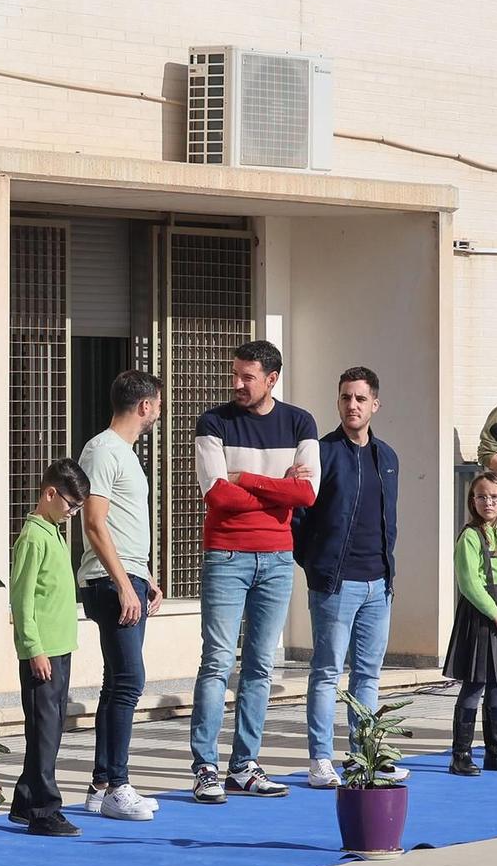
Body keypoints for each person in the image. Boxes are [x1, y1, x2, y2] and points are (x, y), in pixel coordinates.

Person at [187, 340, 319, 803]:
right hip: (226, 554)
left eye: (248, 376)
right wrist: (278, 487)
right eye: (235, 375)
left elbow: (307, 496)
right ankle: (205, 765)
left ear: (272, 379)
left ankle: (244, 765)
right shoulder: (213, 422)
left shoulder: (300, 422)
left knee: (261, 665)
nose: (238, 384)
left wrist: (247, 479)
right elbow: (217, 495)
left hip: (279, 557)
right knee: (218, 661)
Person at [291, 368, 405, 789]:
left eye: (360, 398)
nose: (352, 405)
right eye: (345, 398)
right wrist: (317, 565)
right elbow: (298, 519)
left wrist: (387, 573)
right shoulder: (321, 454)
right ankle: (321, 760)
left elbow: (388, 519)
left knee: (368, 675)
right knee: (326, 672)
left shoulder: (387, 457)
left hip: (379, 584)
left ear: (375, 404)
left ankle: (364, 757)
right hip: (335, 584)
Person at [75, 370, 164, 822]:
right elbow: (94, 522)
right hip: (111, 581)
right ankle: (117, 784)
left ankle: (102, 784)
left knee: (118, 681)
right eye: (158, 404)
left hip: (128, 576)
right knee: (130, 679)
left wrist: (143, 576)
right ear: (146, 406)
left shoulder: (122, 453)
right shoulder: (103, 449)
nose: (159, 412)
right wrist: (125, 583)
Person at [9, 459, 89, 838]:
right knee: (44, 730)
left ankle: (26, 799)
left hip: (59, 648)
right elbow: (22, 600)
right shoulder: (33, 536)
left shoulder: (54, 532)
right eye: (70, 505)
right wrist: (33, 648)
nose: (73, 513)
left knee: (51, 727)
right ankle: (45, 809)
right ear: (50, 493)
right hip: (42, 652)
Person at [442, 472, 497, 776]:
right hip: (483, 618)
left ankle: (496, 751)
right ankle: (461, 754)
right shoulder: (470, 536)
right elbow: (469, 583)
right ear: (473, 501)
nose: (488, 502)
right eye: (481, 497)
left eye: (495, 497)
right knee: (475, 683)